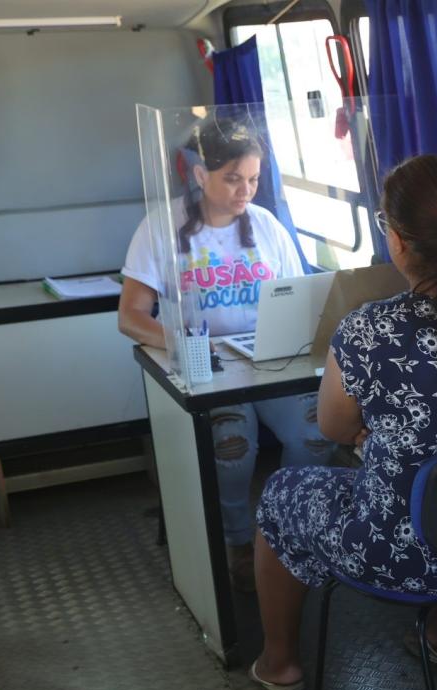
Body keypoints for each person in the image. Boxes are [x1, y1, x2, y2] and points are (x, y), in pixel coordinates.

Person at [248, 154, 437, 690]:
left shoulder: (368, 331)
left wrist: (379, 435)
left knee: (280, 492)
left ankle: (279, 664)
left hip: (398, 556)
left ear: (396, 239)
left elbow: (332, 428)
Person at [119, 117, 334, 590]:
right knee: (232, 446)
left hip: (268, 358)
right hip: (208, 364)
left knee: (318, 431)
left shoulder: (266, 225)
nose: (246, 191)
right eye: (232, 178)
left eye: (254, 179)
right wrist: (183, 343)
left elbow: (301, 297)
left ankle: (287, 529)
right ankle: (236, 540)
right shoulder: (162, 227)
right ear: (201, 176)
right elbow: (130, 316)